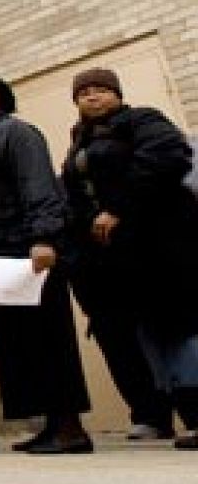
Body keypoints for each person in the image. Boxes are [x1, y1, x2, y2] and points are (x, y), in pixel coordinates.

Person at [0, 72, 92, 454]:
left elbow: (38, 185)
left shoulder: (16, 133)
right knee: (19, 343)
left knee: (47, 337)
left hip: (24, 250)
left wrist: (44, 237)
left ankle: (70, 428)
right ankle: (49, 424)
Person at [60, 68, 198, 450]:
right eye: (83, 92)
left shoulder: (144, 120)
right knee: (128, 335)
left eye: (101, 90)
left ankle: (196, 413)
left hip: (159, 246)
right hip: (110, 258)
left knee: (176, 327)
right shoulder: (78, 141)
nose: (92, 97)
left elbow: (166, 159)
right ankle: (153, 415)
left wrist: (118, 207)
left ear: (117, 94)